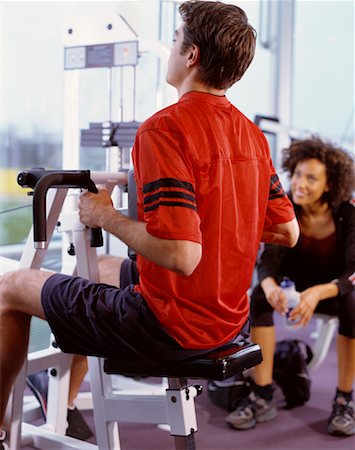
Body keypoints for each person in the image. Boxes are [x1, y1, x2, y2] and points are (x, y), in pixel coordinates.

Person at [0, 1, 300, 448]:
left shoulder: (164, 129)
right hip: (227, 321)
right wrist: (222, 219)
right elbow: (286, 231)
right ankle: (61, 400)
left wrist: (106, 215)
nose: (174, 46)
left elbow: (182, 254)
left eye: (177, 39)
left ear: (192, 55)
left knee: (11, 287)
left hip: (168, 326)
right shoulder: (252, 136)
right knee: (95, 270)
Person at [226, 137, 355, 436]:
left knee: (352, 306)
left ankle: (344, 400)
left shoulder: (348, 212)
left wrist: (318, 292)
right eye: (297, 174)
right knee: (259, 296)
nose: (300, 183)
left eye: (311, 178)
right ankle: (262, 394)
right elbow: (267, 259)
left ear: (329, 185)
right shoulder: (284, 206)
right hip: (291, 290)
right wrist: (269, 284)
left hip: (332, 292)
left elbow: (353, 271)